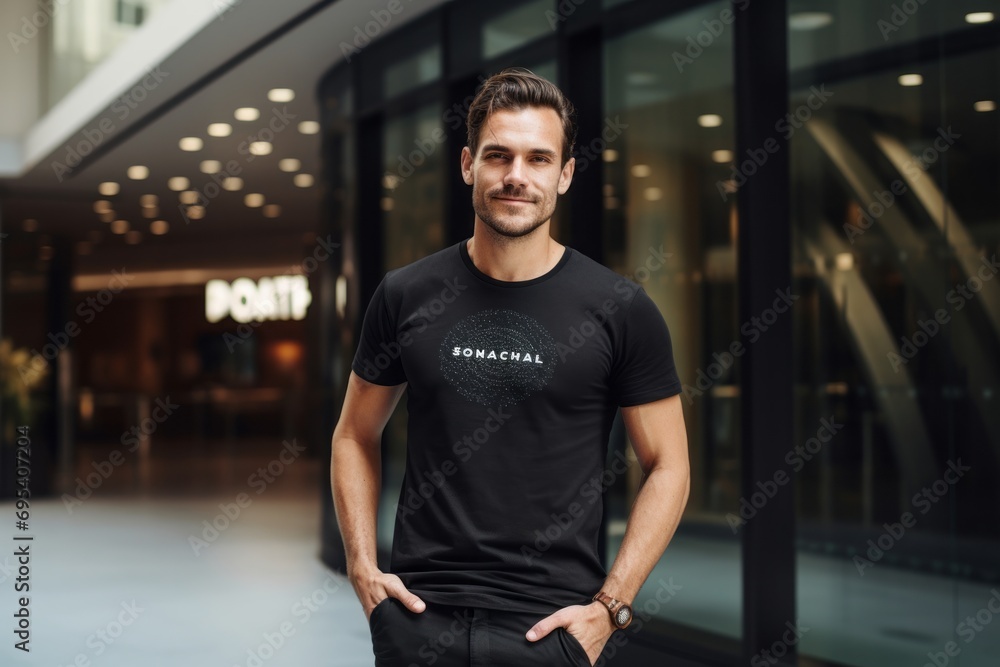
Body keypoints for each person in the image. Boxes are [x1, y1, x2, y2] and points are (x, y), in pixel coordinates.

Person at [331, 67, 689, 666]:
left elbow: (669, 466)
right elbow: (353, 434)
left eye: (539, 159)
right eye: (499, 156)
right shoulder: (405, 294)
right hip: (421, 621)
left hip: (550, 632)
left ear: (566, 174)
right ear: (468, 164)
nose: (516, 177)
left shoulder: (620, 309)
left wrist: (611, 609)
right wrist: (363, 570)